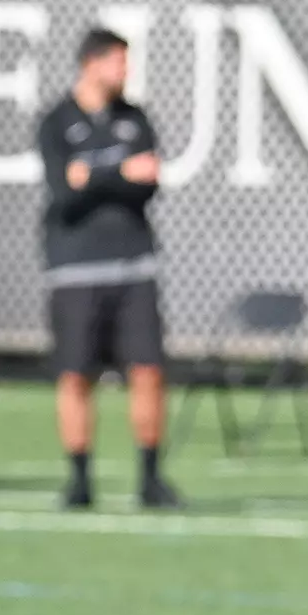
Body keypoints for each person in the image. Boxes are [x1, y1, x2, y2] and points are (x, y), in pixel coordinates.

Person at [37, 28, 180, 511]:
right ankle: (79, 480)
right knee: (76, 375)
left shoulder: (134, 119)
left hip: (134, 266)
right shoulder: (56, 122)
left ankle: (151, 478)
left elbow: (149, 183)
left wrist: (92, 176)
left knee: (149, 371)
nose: (125, 72)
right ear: (91, 63)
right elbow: (64, 192)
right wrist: (118, 173)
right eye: (118, 62)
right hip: (75, 270)